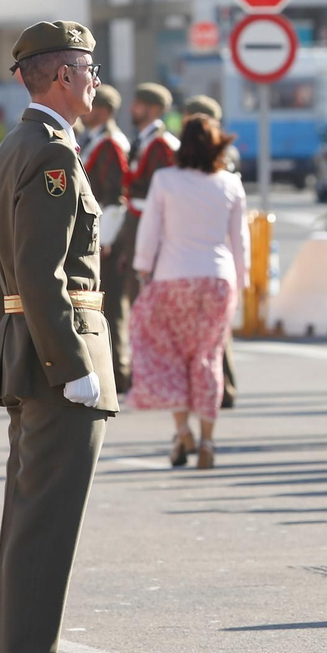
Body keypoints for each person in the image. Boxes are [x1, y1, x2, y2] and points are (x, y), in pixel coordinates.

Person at [0, 20, 115, 653]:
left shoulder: (16, 147)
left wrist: (17, 346)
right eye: (90, 70)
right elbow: (39, 272)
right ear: (64, 75)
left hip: (29, 355)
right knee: (45, 524)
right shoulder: (51, 152)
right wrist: (68, 362)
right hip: (61, 364)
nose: (97, 82)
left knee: (28, 519)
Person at [128, 116, 250, 469]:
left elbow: (150, 228)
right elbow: (239, 240)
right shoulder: (230, 184)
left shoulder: (165, 180)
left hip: (172, 276)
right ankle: (209, 440)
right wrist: (241, 282)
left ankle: (183, 432)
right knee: (208, 358)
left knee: (172, 357)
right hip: (217, 279)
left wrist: (142, 265)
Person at [110, 83, 179, 393]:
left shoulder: (161, 145)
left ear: (152, 109)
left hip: (147, 227)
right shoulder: (148, 141)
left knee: (147, 303)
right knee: (137, 302)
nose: (131, 110)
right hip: (136, 224)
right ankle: (145, 374)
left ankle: (154, 375)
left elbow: (160, 196)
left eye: (137, 105)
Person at [181, 95, 241, 413]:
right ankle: (218, 386)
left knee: (213, 333)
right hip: (210, 252)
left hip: (212, 250)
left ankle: (222, 387)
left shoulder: (221, 156)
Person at [80, 85, 132, 392]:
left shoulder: (110, 144)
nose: (87, 112)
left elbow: (116, 198)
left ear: (105, 111)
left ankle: (119, 371)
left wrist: (105, 240)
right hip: (102, 236)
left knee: (112, 307)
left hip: (108, 239)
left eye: (94, 106)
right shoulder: (98, 141)